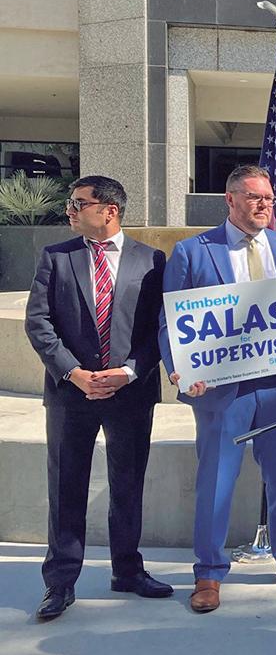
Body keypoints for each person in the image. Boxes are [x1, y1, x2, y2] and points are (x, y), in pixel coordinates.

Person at [159, 165, 276, 613]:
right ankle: (209, 573)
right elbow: (170, 322)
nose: (264, 205)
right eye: (254, 197)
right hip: (220, 390)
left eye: (268, 198)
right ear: (230, 199)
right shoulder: (192, 252)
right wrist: (180, 370)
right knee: (216, 481)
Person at [25, 176, 172, 621]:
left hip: (130, 393)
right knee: (66, 487)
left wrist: (129, 372)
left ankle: (127, 571)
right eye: (71, 203)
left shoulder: (151, 260)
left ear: (109, 210)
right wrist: (74, 373)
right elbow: (39, 322)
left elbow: (160, 327)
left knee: (127, 485)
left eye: (78, 203)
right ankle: (60, 582)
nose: (69, 210)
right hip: (71, 393)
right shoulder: (56, 257)